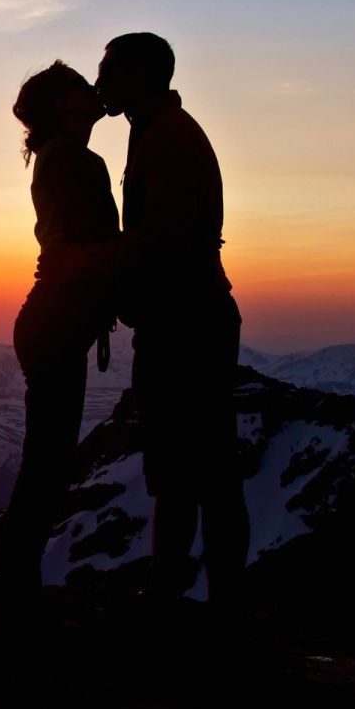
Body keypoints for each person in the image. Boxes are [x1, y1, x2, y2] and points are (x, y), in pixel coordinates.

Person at [44, 33, 245, 604]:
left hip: (187, 321)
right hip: (184, 316)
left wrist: (91, 266)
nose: (99, 81)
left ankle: (201, 600)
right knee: (188, 469)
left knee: (201, 470)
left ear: (138, 75)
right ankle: (178, 594)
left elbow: (164, 242)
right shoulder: (155, 132)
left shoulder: (168, 140)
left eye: (108, 70)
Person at [0, 61, 120, 598]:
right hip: (58, 321)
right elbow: (79, 251)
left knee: (47, 462)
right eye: (78, 85)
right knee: (48, 465)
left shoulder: (63, 157)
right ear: (61, 104)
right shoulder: (71, 158)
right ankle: (16, 588)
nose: (91, 89)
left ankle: (17, 584)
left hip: (54, 322)